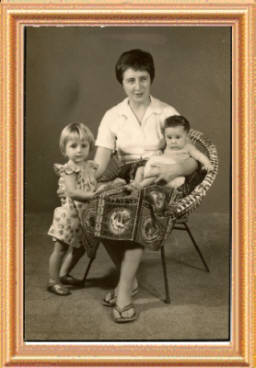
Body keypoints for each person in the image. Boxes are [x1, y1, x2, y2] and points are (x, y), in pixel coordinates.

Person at [93, 49, 198, 322]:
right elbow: (100, 165)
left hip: (161, 178)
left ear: (151, 79)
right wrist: (79, 177)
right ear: (122, 82)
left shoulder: (166, 112)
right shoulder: (112, 115)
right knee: (93, 207)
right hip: (128, 176)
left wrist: (175, 168)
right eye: (131, 80)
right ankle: (131, 279)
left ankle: (124, 291)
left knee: (137, 212)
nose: (137, 86)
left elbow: (192, 160)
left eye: (143, 78)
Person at [47, 122, 98, 296]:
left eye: (83, 146)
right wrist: (95, 195)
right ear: (64, 149)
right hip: (69, 215)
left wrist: (110, 184)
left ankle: (64, 274)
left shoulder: (89, 167)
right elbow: (72, 192)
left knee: (80, 248)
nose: (79, 150)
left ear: (89, 146)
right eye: (73, 146)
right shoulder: (68, 169)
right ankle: (53, 281)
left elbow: (93, 184)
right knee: (60, 248)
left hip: (82, 215)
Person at [130, 115, 213, 189]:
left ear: (186, 136)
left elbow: (199, 156)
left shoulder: (188, 147)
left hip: (174, 177)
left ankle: (139, 187)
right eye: (169, 137)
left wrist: (207, 164)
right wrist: (159, 154)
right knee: (140, 169)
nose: (173, 141)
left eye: (178, 137)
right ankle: (135, 184)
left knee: (155, 172)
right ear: (165, 136)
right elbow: (157, 150)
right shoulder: (167, 145)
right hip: (161, 169)